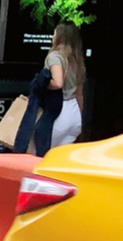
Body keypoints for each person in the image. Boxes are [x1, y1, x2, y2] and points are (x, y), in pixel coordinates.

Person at [15, 23, 84, 155]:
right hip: (74, 114)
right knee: (58, 159)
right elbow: (79, 93)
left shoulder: (55, 56)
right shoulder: (77, 60)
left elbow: (58, 82)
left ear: (59, 37)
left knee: (35, 154)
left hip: (58, 112)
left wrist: (41, 84)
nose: (53, 36)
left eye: (54, 33)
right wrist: (78, 117)